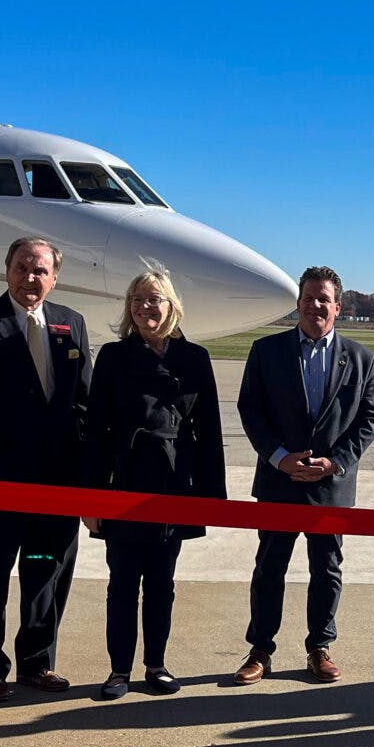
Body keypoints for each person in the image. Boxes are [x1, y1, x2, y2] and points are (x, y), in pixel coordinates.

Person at [0, 237, 91, 702]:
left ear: (55, 277)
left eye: (41, 270)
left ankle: (37, 662)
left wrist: (83, 464)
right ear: (7, 269)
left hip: (57, 480)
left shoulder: (72, 323)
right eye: (23, 268)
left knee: (45, 570)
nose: (31, 278)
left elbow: (83, 400)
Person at [227, 265, 374, 686]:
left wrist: (336, 462)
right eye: (308, 297)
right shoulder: (266, 351)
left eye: (323, 299)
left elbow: (371, 417)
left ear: (338, 307)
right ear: (298, 303)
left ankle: (319, 647)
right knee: (268, 568)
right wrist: (278, 457)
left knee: (327, 570)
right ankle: (260, 649)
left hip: (330, 486)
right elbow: (251, 410)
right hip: (279, 481)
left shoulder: (363, 359)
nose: (315, 305)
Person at [82, 267, 226, 699]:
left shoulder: (194, 358)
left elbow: (210, 432)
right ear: (130, 307)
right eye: (139, 299)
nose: (147, 307)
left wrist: (210, 498)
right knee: (122, 581)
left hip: (173, 482)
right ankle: (119, 670)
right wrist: (91, 497)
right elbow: (96, 431)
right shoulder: (112, 356)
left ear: (171, 306)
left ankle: (156, 665)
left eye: (155, 299)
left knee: (162, 581)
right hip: (124, 481)